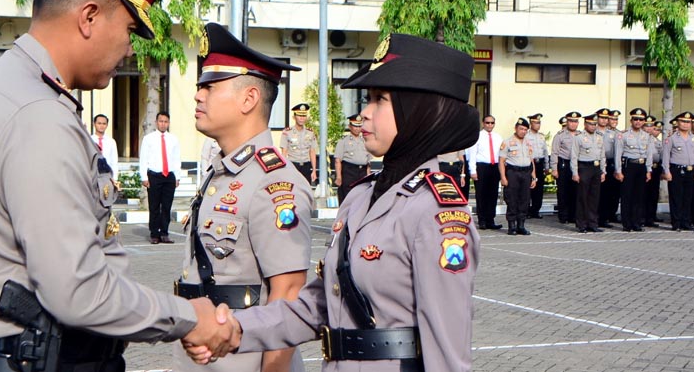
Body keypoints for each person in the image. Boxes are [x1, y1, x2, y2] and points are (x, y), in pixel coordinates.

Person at [0, 0, 237, 371]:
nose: (127, 49)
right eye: (128, 30)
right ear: (89, 16)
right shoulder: (38, 115)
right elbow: (77, 291)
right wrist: (185, 318)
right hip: (33, 358)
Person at [187, 33, 482, 371]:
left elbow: (447, 351)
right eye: (367, 99)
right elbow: (318, 304)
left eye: (379, 99)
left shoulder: (435, 211)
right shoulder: (360, 198)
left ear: (418, 110)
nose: (365, 114)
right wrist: (239, 329)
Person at [173, 22, 313, 371]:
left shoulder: (276, 183)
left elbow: (289, 295)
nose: (197, 94)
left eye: (210, 86)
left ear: (249, 99)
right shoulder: (222, 173)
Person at [139, 111, 181, 244]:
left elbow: (176, 158)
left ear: (168, 123)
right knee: (154, 206)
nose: (163, 124)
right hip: (154, 175)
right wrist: (144, 177)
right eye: (161, 121)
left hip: (169, 176)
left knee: (167, 206)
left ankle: (164, 233)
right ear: (157, 122)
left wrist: (177, 177)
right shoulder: (148, 138)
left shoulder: (173, 139)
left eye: (166, 121)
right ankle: (154, 234)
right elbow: (143, 158)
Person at [615, 108, 654, 232]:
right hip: (628, 166)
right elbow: (618, 154)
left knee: (639, 196)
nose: (638, 122)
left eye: (641, 119)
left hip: (641, 166)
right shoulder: (623, 135)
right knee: (627, 195)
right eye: (635, 119)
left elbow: (649, 154)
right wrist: (618, 170)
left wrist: (648, 170)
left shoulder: (647, 136)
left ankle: (636, 222)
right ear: (631, 120)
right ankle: (627, 223)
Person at [663, 111, 694, 231]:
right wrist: (667, 171)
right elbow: (666, 156)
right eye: (683, 121)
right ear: (678, 122)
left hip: (691, 170)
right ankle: (676, 222)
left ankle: (686, 222)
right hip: (676, 170)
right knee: (676, 197)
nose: (685, 124)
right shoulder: (671, 139)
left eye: (688, 122)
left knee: (688, 197)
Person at [499, 117, 536, 235]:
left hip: (526, 173)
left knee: (524, 199)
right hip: (513, 172)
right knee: (512, 199)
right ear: (516, 128)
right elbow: (501, 161)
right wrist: (503, 177)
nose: (523, 131)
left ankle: (521, 225)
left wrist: (534, 177)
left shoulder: (528, 142)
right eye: (521, 129)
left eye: (525, 129)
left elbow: (531, 160)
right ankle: (512, 226)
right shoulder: (507, 142)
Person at [570, 113, 606, 233]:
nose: (593, 126)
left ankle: (592, 223)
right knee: (582, 197)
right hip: (584, 167)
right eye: (590, 124)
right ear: (585, 124)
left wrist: (603, 171)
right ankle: (582, 224)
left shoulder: (600, 137)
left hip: (596, 168)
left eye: (595, 124)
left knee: (594, 197)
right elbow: (574, 156)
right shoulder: (578, 137)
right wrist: (575, 172)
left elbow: (602, 155)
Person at [468, 115, 504, 230]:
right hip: (481, 167)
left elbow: (502, 154)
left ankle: (490, 219)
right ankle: (482, 220)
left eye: (492, 123)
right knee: (481, 194)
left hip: (494, 167)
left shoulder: (498, 137)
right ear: (483, 123)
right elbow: (472, 154)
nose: (490, 125)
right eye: (487, 123)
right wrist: (473, 170)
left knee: (493, 194)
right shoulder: (478, 136)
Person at [334, 114, 372, 203]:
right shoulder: (343, 141)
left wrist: (368, 176)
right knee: (348, 198)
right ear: (350, 126)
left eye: (359, 126)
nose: (357, 128)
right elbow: (337, 160)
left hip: (362, 172)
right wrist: (339, 177)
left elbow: (368, 162)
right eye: (355, 126)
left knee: (362, 197)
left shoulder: (365, 141)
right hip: (349, 171)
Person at [551, 112, 581, 224]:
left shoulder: (580, 135)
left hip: (576, 165)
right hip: (564, 164)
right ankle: (563, 215)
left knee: (575, 191)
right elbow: (554, 152)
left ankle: (573, 215)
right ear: (567, 122)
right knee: (563, 191)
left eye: (575, 122)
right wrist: (554, 168)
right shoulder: (560, 135)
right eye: (571, 121)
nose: (573, 124)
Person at [280, 103, 318, 184]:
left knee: (305, 190)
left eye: (304, 116)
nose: (302, 118)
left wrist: (314, 170)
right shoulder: (287, 132)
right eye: (299, 116)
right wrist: (283, 170)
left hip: (306, 166)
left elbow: (312, 152)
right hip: (293, 165)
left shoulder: (310, 133)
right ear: (294, 117)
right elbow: (284, 152)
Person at [596, 108, 618, 227]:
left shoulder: (613, 134)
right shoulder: (594, 132)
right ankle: (595, 218)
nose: (604, 120)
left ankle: (605, 218)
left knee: (608, 192)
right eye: (602, 118)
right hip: (596, 163)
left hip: (610, 163)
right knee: (597, 193)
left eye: (606, 118)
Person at [526, 113, 549, 219]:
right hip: (530, 163)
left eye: (539, 123)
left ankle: (535, 210)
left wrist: (547, 166)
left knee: (539, 189)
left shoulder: (541, 136)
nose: (538, 125)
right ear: (531, 123)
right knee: (529, 187)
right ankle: (527, 210)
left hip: (540, 163)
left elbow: (545, 151)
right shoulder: (526, 135)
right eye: (535, 122)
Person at [643, 117, 664, 226]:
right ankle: (642, 217)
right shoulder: (643, 138)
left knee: (653, 193)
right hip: (644, 167)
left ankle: (650, 217)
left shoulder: (657, 140)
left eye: (654, 127)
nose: (652, 129)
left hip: (656, 168)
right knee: (643, 194)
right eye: (649, 126)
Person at [92, 113, 120, 187]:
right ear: (94, 124)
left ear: (107, 125)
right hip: (92, 174)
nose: (101, 126)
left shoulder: (111, 141)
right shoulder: (89, 140)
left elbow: (114, 161)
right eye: (99, 123)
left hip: (106, 175)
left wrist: (115, 178)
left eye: (104, 124)